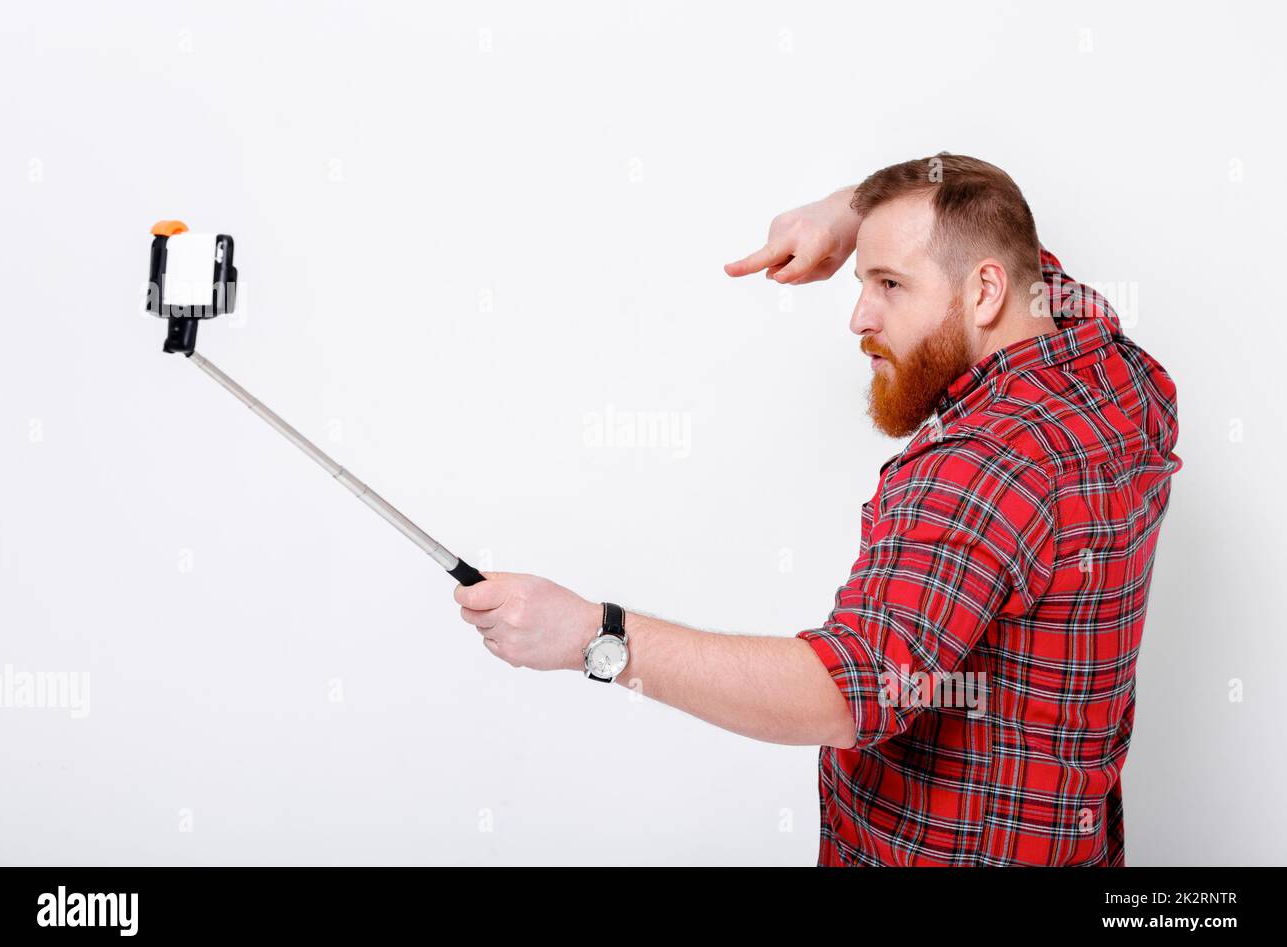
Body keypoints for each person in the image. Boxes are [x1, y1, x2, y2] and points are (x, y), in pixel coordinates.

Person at [451, 153, 1182, 866]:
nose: (860, 316)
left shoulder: (982, 468)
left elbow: (849, 690)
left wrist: (593, 635)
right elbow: (999, 231)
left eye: (890, 284)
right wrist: (855, 211)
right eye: (864, 281)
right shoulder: (1107, 366)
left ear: (985, 291)